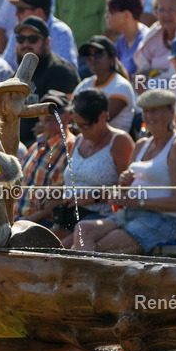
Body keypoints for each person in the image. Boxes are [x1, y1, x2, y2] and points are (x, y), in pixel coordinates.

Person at [73, 88, 176, 254]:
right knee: (82, 230)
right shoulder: (142, 144)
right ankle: (85, 277)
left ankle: (84, 278)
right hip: (129, 214)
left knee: (95, 249)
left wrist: (138, 202)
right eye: (146, 111)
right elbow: (124, 193)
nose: (149, 116)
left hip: (161, 220)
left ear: (171, 112)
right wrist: (124, 184)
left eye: (155, 111)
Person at [53, 88, 134, 246]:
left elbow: (129, 189)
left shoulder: (120, 142)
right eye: (77, 125)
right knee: (39, 244)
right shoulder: (78, 141)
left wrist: (93, 196)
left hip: (102, 217)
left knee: (60, 249)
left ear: (102, 116)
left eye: (86, 125)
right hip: (71, 215)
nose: (81, 130)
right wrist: (52, 192)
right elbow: (72, 180)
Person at [12, 16, 80, 145]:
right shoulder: (21, 72)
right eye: (21, 39)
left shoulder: (60, 71)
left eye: (33, 39)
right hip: (19, 144)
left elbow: (65, 117)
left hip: (48, 144)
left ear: (47, 42)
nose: (26, 44)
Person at [15, 91, 74, 227]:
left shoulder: (72, 146)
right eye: (46, 110)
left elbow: (66, 193)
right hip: (18, 220)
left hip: (42, 225)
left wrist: (27, 222)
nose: (51, 114)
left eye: (57, 110)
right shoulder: (35, 146)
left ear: (69, 116)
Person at [1, 0, 77, 72]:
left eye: (21, 9)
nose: (16, 13)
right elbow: (7, 66)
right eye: (21, 39)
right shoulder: (19, 29)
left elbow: (65, 72)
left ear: (39, 12)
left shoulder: (60, 32)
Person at [73, 35, 136, 131]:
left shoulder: (121, 86)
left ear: (112, 58)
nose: (93, 58)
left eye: (98, 53)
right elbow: (70, 113)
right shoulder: (85, 85)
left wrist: (72, 127)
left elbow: (96, 122)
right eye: (88, 55)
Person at [105, 0, 150, 79]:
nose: (106, 16)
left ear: (127, 15)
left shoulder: (146, 41)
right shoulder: (122, 41)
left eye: (111, 12)